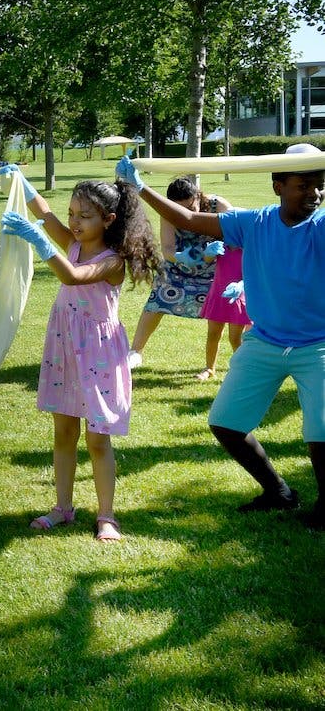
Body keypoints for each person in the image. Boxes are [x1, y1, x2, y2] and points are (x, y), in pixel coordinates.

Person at [118, 146, 325, 526]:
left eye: (320, 185)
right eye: (303, 185)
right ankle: (278, 492)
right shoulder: (254, 222)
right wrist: (139, 187)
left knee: (322, 432)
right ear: (278, 185)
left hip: (318, 346)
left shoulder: (322, 224)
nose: (314, 193)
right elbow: (192, 219)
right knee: (226, 424)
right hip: (264, 341)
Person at [2, 172, 158, 543]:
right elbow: (44, 212)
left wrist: (40, 241)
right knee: (64, 432)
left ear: (108, 220)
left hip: (99, 354)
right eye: (72, 212)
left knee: (97, 439)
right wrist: (22, 184)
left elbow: (72, 277)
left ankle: (107, 516)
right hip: (65, 346)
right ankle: (62, 508)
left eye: (84, 215)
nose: (73, 222)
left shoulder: (112, 260)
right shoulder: (72, 240)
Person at [126, 177, 228, 371]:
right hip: (180, 267)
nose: (185, 214)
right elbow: (168, 250)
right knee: (157, 299)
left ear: (198, 196)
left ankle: (217, 364)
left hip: (216, 268)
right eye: (179, 209)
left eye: (190, 207)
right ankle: (135, 352)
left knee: (227, 311)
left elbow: (238, 229)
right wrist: (184, 258)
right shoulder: (168, 212)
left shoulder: (218, 205)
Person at [196, 236, 250, 381]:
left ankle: (243, 369)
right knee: (213, 334)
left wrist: (241, 285)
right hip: (218, 295)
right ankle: (209, 368)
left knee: (235, 338)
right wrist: (208, 253)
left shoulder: (248, 249)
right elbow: (206, 261)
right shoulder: (221, 247)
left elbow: (253, 274)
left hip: (237, 297)